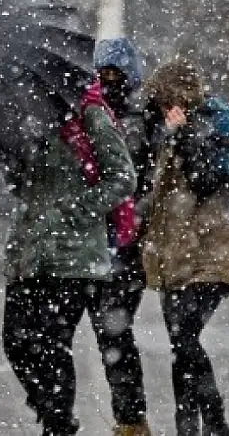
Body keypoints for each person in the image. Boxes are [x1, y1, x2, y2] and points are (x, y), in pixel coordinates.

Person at [140, 58, 229, 436]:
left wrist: (184, 136)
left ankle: (215, 423)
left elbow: (207, 180)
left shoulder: (216, 126)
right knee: (180, 343)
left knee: (185, 336)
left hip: (212, 252)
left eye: (161, 100)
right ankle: (187, 426)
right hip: (173, 252)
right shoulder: (164, 129)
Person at [2, 70, 138, 436]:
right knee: (15, 341)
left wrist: (77, 210)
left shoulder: (89, 113)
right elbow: (23, 186)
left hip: (73, 255)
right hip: (29, 251)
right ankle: (53, 414)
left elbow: (123, 177)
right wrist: (13, 159)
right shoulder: (25, 117)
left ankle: (57, 424)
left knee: (51, 343)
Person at [90, 37, 152, 436]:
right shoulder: (96, 118)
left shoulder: (135, 123)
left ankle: (130, 418)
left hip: (123, 243)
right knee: (112, 333)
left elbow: (131, 180)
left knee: (113, 332)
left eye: (117, 75)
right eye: (104, 74)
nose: (110, 81)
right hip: (105, 242)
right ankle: (129, 418)